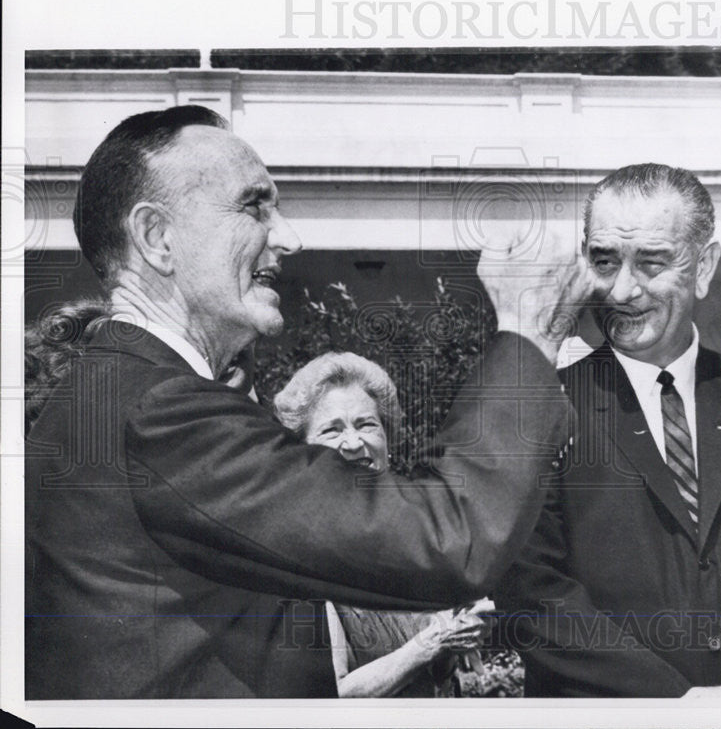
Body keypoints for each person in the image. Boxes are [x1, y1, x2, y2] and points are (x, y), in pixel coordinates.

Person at [24, 105, 588, 698]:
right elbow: (452, 541)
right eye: (254, 206)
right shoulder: (160, 411)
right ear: (157, 238)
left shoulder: (114, 394)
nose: (288, 237)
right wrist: (528, 333)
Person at [495, 163, 721, 698]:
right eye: (605, 261)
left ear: (704, 267)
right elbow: (532, 594)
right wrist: (679, 705)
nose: (623, 290)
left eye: (651, 263)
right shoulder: (537, 410)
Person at [273, 351, 493, 697]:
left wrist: (458, 633)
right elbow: (334, 694)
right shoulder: (301, 557)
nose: (354, 442)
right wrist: (431, 641)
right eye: (333, 430)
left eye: (366, 424)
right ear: (304, 452)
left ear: (387, 440)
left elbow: (439, 675)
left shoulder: (412, 539)